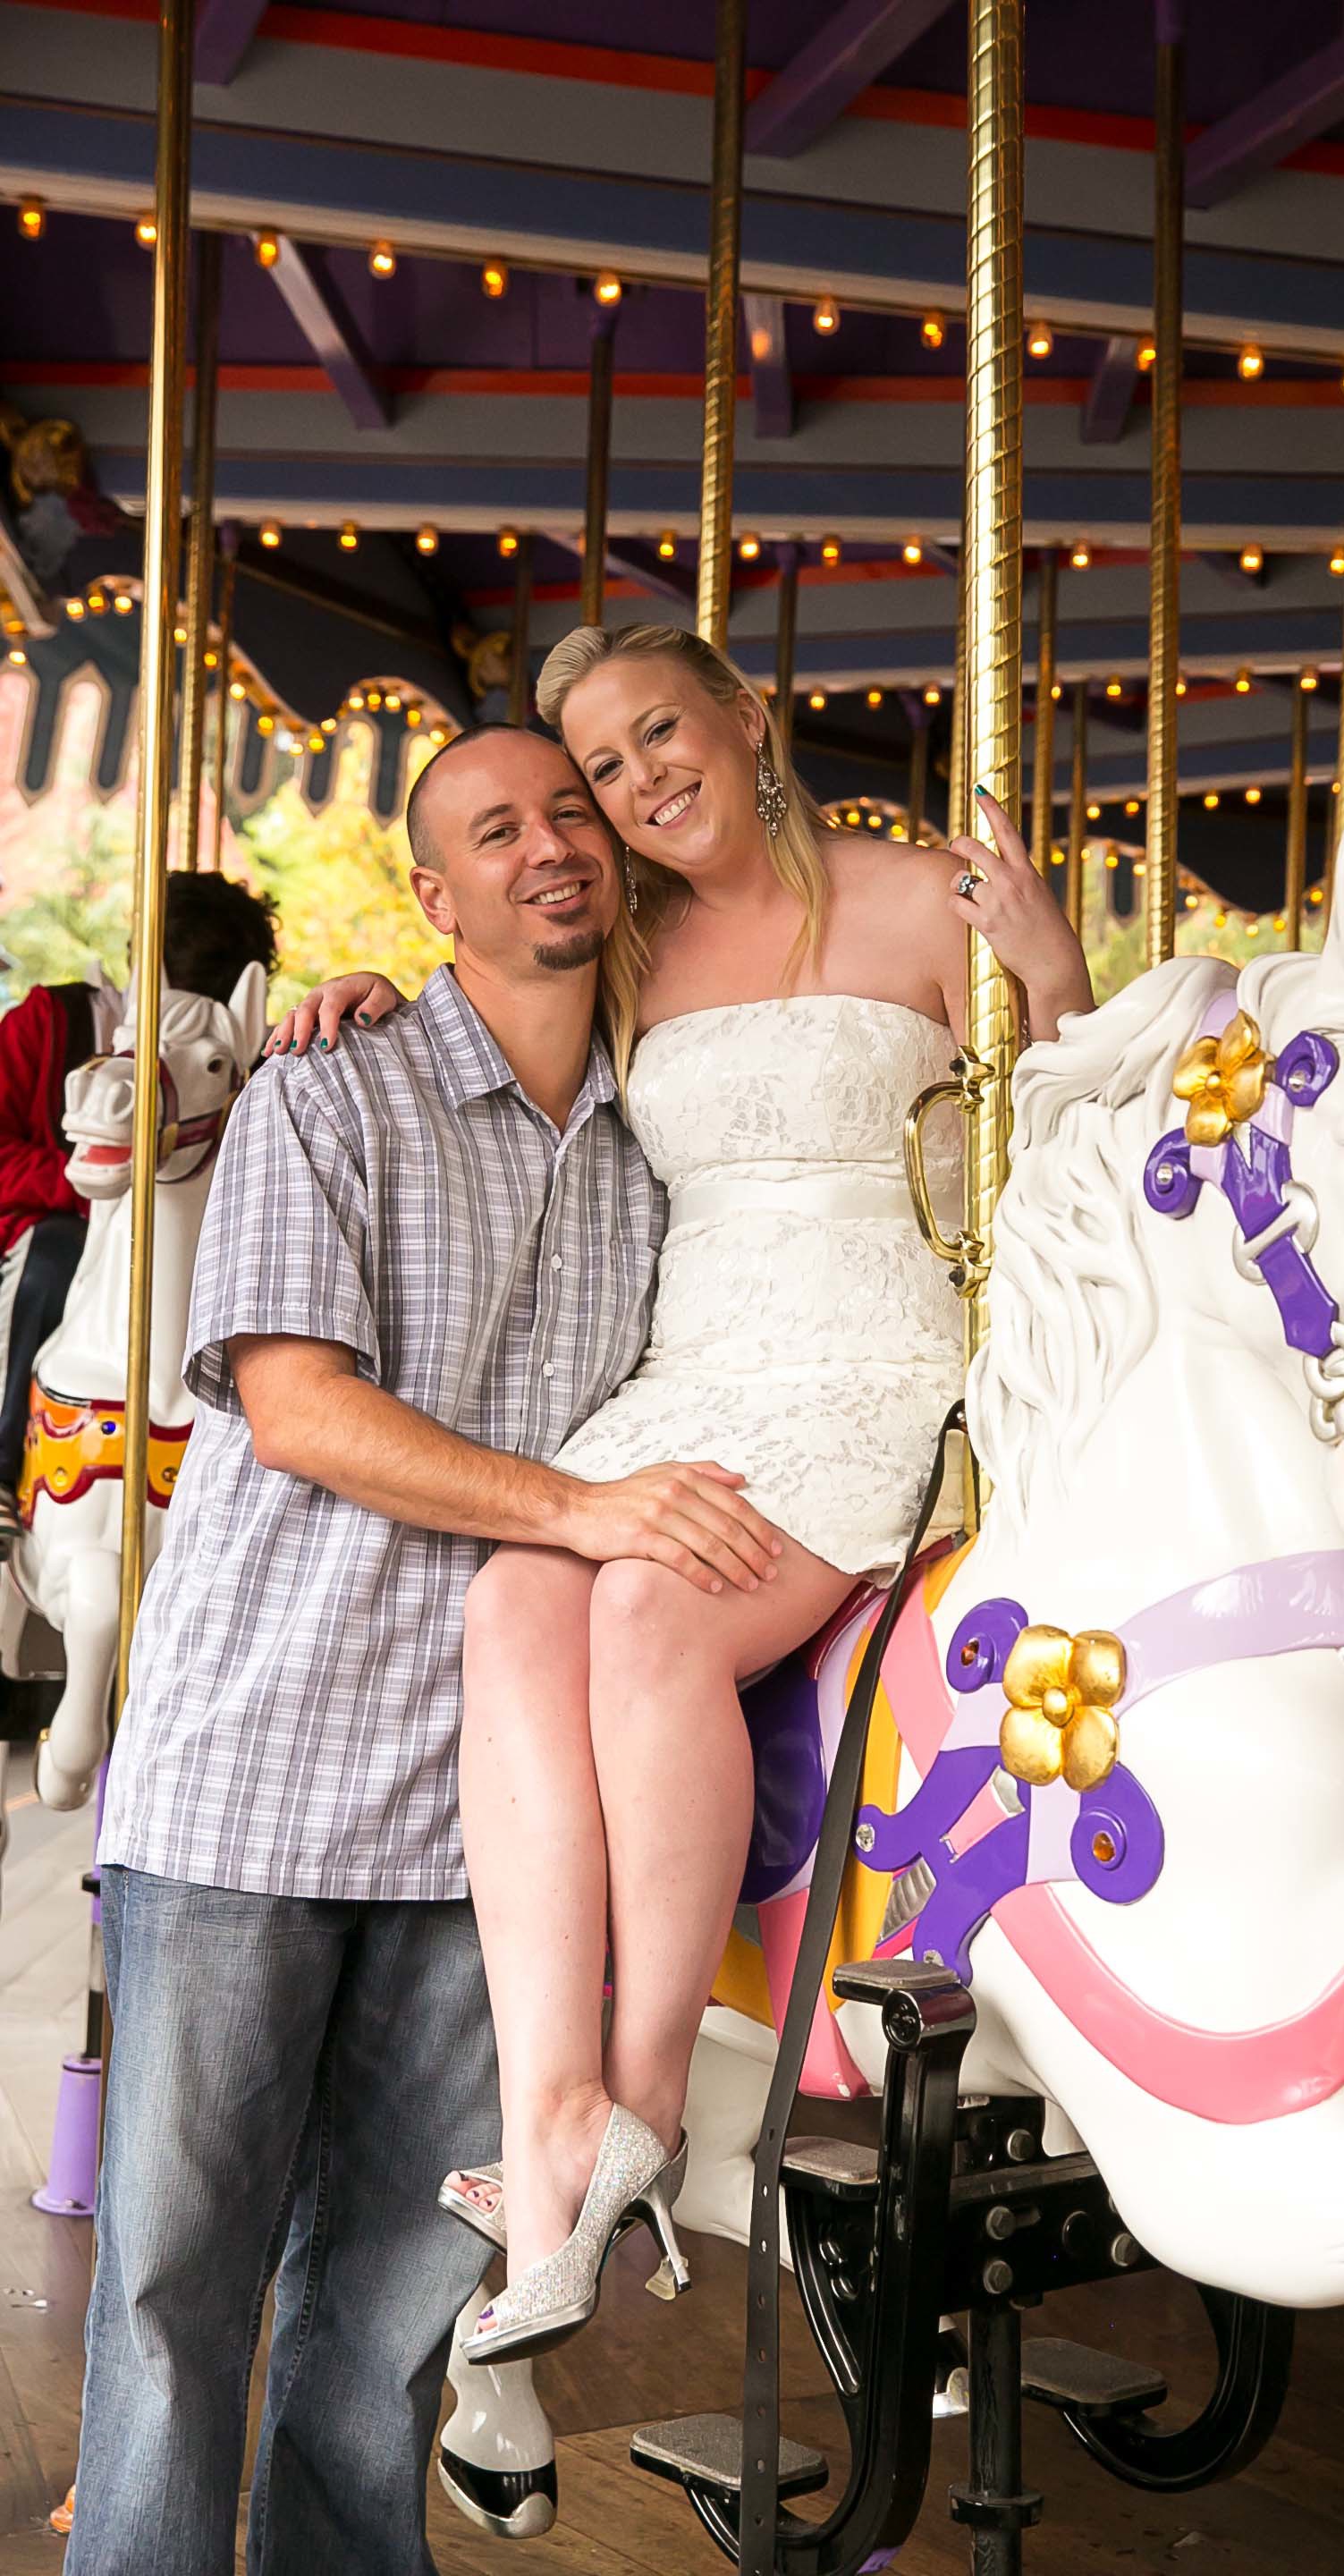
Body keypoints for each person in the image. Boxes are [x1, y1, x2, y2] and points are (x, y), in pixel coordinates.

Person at [276, 623, 1092, 2367]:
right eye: (605, 770)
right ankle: (552, 2105)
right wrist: (360, 999)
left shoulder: (922, 898)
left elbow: (1072, 1148)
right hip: (689, 1373)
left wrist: (1052, 970)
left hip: (874, 1360)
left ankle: (639, 2093)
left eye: (662, 734)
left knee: (644, 1607)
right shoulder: (629, 948)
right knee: (511, 1598)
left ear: (744, 717)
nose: (643, 783)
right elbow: (474, 1020)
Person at [70, 729, 775, 2574]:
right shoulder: (332, 1093)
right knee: (168, 2302)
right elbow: (299, 1409)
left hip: (480, 1833)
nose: (549, 847)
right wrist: (584, 1514)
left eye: (571, 814)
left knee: (387, 2320)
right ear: (433, 897)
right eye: (495, 830)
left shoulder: (659, 1159)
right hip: (259, 1777)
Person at [0, 872, 279, 1548]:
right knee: (51, 1257)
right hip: (63, 1225)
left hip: (196, 1234)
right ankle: (7, 1462)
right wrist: (89, 1181)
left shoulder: (251, 1054)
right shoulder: (53, 1020)